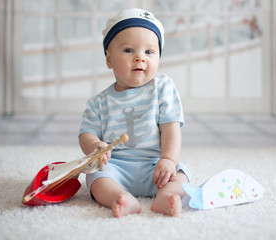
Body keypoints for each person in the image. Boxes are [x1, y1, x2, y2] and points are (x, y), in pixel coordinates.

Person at [78, 8, 191, 218]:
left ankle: (166, 198)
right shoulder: (99, 103)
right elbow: (86, 134)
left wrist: (167, 160)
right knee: (95, 179)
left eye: (149, 52)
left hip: (155, 168)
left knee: (181, 175)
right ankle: (120, 198)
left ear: (158, 57)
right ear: (109, 59)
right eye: (129, 50)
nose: (140, 58)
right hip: (116, 168)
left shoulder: (162, 87)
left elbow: (171, 128)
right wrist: (95, 146)